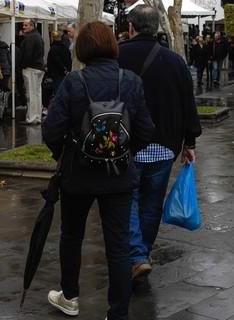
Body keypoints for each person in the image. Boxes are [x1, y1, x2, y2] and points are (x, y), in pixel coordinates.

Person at [43, 21, 154, 320]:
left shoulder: (73, 82)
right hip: (119, 177)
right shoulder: (131, 81)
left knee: (71, 236)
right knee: (118, 246)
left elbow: (51, 129)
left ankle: (69, 296)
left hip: (77, 177)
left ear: (81, 48)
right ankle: (117, 313)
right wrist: (123, 154)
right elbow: (145, 129)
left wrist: (66, 155)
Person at [118, 5, 202, 281]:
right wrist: (189, 141)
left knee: (128, 199)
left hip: (125, 143)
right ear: (157, 27)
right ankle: (143, 251)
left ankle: (136, 255)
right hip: (164, 144)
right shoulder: (175, 61)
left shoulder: (118, 55)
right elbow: (187, 103)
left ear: (131, 26)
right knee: (152, 203)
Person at [20, 19, 45, 124]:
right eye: (23, 25)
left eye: (26, 25)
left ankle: (32, 118)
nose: (24, 27)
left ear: (32, 26)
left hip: (31, 68)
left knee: (31, 94)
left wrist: (23, 65)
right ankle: (37, 116)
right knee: (37, 94)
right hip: (39, 68)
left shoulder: (31, 38)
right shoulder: (38, 36)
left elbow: (28, 54)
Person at [46, 30, 72, 96]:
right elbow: (69, 59)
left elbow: (55, 61)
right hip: (64, 72)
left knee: (57, 91)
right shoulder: (65, 48)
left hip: (56, 73)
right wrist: (67, 69)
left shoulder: (53, 48)